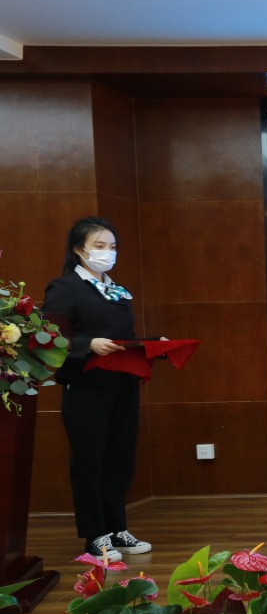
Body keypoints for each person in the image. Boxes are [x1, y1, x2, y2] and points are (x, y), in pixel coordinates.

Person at [42, 216, 153, 561]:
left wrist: (152, 344)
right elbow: (49, 338)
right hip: (86, 386)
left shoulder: (116, 290)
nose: (108, 253)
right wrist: (88, 344)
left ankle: (117, 528)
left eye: (112, 246)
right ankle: (95, 536)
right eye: (99, 246)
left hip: (123, 384)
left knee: (120, 458)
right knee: (90, 460)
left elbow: (123, 338)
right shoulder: (64, 288)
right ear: (79, 250)